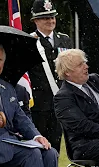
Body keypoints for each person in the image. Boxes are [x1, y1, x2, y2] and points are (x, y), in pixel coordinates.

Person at [28, 0, 73, 154]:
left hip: (59, 103)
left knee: (55, 145)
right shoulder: (29, 42)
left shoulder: (65, 39)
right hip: (38, 104)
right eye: (45, 17)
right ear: (35, 20)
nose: (50, 21)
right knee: (38, 146)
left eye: (52, 17)